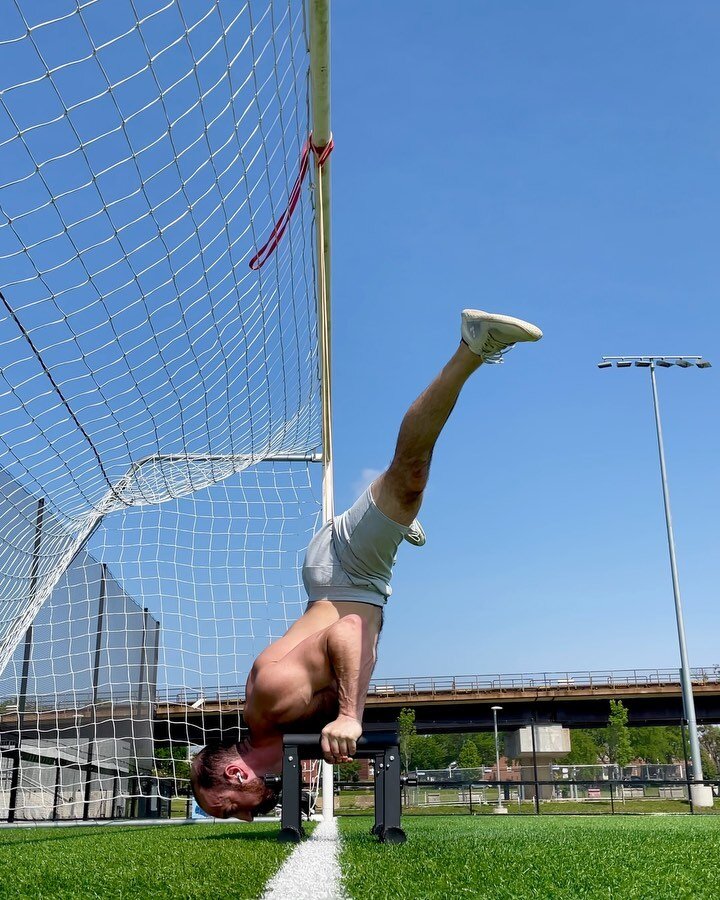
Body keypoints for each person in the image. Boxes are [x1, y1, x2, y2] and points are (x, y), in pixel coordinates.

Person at [190, 309, 542, 820]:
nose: (243, 816)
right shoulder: (287, 736)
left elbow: (347, 630)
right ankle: (394, 525)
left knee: (409, 478)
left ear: (237, 775)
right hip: (360, 580)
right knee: (401, 501)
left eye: (229, 809)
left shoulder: (271, 699)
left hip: (345, 570)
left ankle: (472, 346)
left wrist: (350, 716)